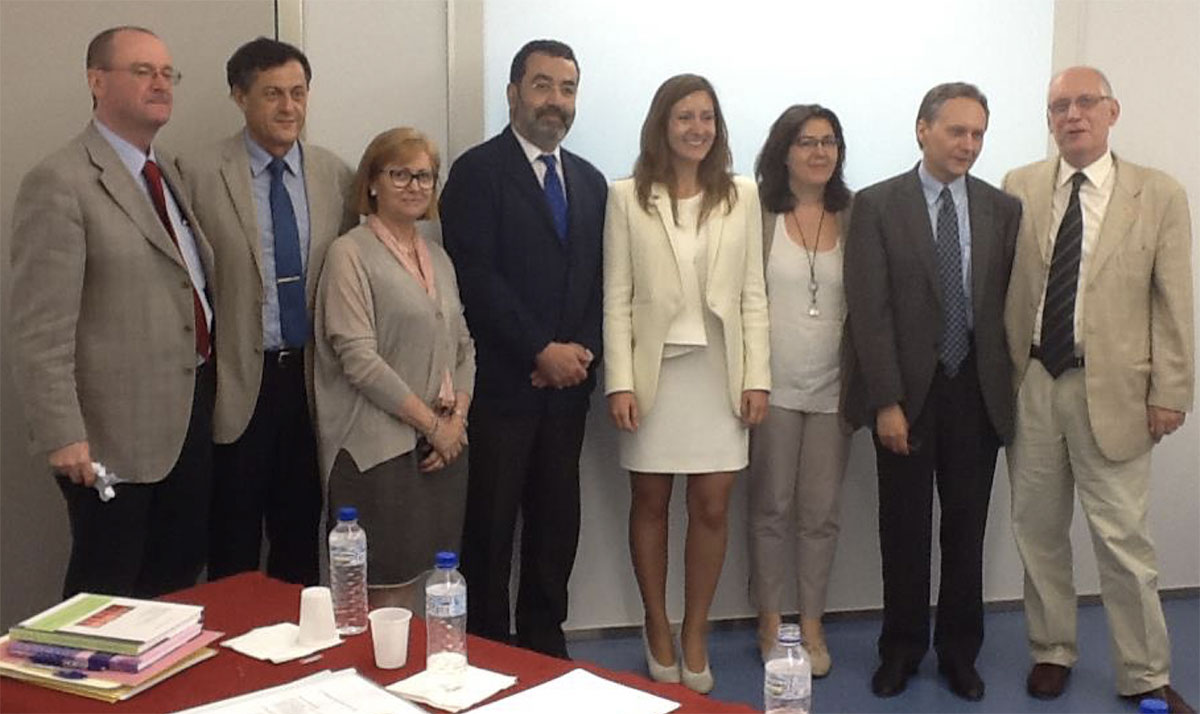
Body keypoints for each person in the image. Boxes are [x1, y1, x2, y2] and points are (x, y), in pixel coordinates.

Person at [1003, 66, 1194, 714]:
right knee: (1038, 530)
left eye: (1086, 103)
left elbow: (1174, 304)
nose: (1072, 115)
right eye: (1059, 106)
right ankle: (1051, 649)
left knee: (1123, 541)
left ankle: (1144, 672)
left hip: (1114, 389)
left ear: (1113, 111)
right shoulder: (1021, 187)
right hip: (1033, 381)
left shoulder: (1158, 193)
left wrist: (1171, 390)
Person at [9, 26, 214, 598]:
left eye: (168, 73)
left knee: (173, 585)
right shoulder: (61, 182)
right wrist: (63, 435)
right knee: (106, 593)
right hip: (108, 437)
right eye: (143, 71)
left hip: (185, 418)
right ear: (96, 81)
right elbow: (38, 332)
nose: (160, 84)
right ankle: (80, 690)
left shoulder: (168, 172)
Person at [842, 82, 1021, 701]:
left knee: (966, 532)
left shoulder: (1003, 209)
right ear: (923, 129)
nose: (968, 144)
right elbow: (870, 311)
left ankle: (958, 654)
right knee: (905, 531)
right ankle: (901, 649)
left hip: (977, 391)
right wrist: (886, 400)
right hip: (908, 395)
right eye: (956, 132)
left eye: (977, 134)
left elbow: (1006, 309)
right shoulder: (876, 205)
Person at [439, 39, 607, 658]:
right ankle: (486, 647)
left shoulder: (590, 182)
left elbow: (600, 280)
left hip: (567, 395)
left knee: (556, 526)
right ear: (513, 92)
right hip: (503, 388)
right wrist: (540, 350)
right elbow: (477, 279)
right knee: (489, 527)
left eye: (566, 89)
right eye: (542, 85)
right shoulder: (476, 173)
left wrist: (581, 350)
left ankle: (544, 641)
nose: (554, 101)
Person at [604, 73, 770, 693]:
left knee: (712, 504)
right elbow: (616, 298)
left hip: (720, 374)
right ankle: (657, 624)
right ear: (662, 125)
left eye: (706, 117)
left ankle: (695, 630)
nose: (697, 128)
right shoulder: (627, 197)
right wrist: (619, 382)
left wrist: (759, 377)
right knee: (650, 503)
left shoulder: (742, 195)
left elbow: (753, 293)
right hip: (653, 377)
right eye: (684, 117)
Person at [178, 37, 356, 586]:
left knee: (300, 540)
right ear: (239, 96)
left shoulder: (336, 176)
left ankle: (296, 662)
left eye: (298, 93)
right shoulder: (197, 173)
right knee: (229, 542)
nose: (289, 108)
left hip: (309, 382)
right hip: (235, 383)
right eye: (273, 94)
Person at [315, 127, 475, 608]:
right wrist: (433, 425)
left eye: (424, 176)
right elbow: (359, 359)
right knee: (388, 595)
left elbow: (464, 346)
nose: (414, 185)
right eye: (399, 174)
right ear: (371, 183)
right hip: (376, 453)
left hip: (441, 451)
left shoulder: (439, 258)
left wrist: (456, 422)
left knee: (435, 590)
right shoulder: (350, 254)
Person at [747, 104, 853, 675]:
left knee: (821, 513)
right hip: (774, 387)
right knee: (770, 508)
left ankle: (810, 622)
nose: (820, 152)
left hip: (835, 390)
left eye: (829, 142)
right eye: (808, 141)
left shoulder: (855, 214)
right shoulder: (757, 213)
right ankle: (770, 619)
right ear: (783, 150)